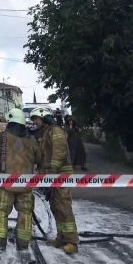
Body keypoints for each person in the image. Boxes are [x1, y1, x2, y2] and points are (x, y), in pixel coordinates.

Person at [0, 107, 43, 251]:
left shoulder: (1, 137)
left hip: (6, 184)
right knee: (25, 213)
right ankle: (23, 243)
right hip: (26, 185)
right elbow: (39, 158)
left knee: (1, 211)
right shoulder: (32, 139)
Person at [31, 107, 79, 255]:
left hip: (60, 175)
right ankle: (61, 237)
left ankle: (72, 242)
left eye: (36, 119)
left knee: (64, 207)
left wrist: (51, 172)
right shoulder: (45, 132)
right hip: (51, 176)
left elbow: (60, 152)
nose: (34, 123)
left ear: (43, 117)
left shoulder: (55, 131)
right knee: (56, 207)